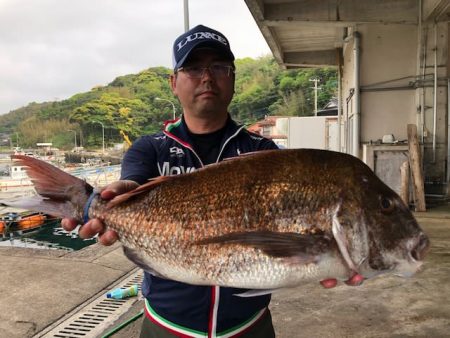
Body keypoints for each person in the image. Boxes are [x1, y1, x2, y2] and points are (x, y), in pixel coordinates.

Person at [63, 25, 279, 337]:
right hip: (167, 327)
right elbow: (132, 185)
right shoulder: (150, 147)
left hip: (250, 327)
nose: (206, 77)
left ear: (232, 78)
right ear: (173, 82)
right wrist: (115, 199)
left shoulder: (262, 152)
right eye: (192, 68)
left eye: (219, 67)